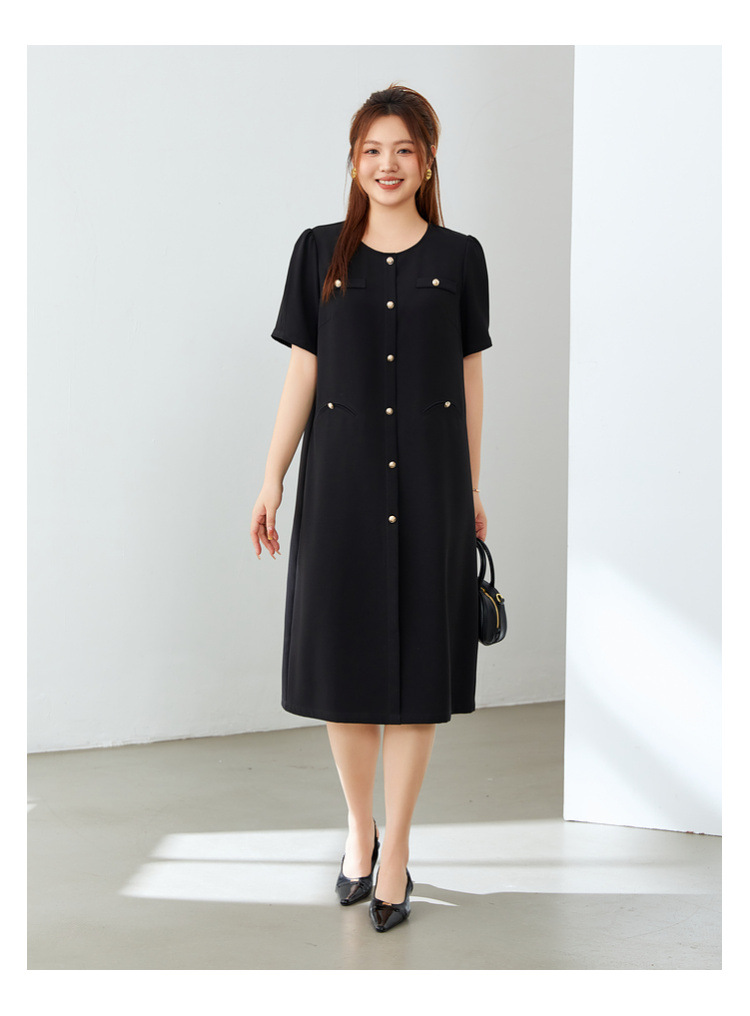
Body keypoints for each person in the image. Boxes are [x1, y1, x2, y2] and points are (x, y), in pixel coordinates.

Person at [251, 83, 492, 933]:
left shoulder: (461, 257)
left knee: (420, 678)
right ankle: (361, 833)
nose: (387, 166)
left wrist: (470, 488)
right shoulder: (318, 250)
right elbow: (303, 369)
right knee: (346, 673)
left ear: (427, 160)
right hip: (343, 486)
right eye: (371, 151)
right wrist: (273, 476)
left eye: (403, 150)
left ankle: (398, 853)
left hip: (430, 486)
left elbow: (469, 378)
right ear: (354, 161)